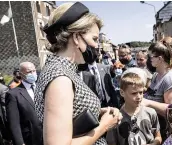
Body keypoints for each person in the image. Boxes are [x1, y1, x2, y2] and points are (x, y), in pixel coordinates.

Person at [34, 2, 122, 145]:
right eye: (94, 39)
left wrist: (97, 112)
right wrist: (104, 125)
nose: (97, 45)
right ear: (76, 38)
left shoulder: (64, 70)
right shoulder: (60, 78)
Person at [142, 42, 172, 142]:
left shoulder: (171, 78)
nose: (149, 59)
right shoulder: (156, 76)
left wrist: (148, 103)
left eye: (151, 56)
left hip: (168, 135)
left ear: (160, 58)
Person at [106, 72, 162, 145]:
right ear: (122, 93)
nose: (139, 97)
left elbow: (158, 136)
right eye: (134, 93)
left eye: (141, 92)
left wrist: (154, 143)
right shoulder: (115, 119)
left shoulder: (151, 112)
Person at [5, 62, 42, 145]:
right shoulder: (13, 94)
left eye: (34, 71)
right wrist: (20, 142)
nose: (33, 74)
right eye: (29, 72)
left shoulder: (42, 88)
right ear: (21, 74)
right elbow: (14, 122)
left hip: (48, 135)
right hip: (30, 139)